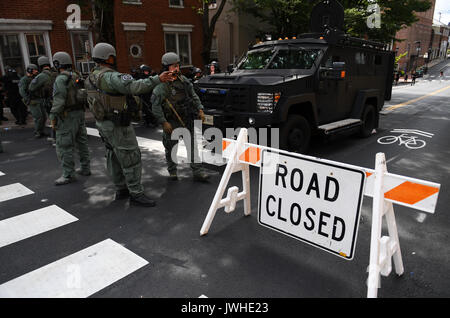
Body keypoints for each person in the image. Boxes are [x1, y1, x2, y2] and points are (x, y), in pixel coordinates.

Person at [85, 42, 173, 207]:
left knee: (113, 156)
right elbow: (135, 86)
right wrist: (157, 79)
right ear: (109, 57)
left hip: (103, 124)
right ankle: (136, 193)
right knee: (130, 157)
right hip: (118, 125)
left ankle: (121, 189)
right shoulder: (111, 77)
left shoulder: (90, 77)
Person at [151, 52, 209, 182]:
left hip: (187, 119)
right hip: (172, 121)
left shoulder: (184, 81)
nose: (176, 68)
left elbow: (193, 95)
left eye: (177, 65)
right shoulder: (161, 86)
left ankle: (198, 171)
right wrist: (163, 122)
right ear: (166, 68)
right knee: (171, 147)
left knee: (192, 146)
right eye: (173, 66)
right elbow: (155, 106)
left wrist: (200, 109)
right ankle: (172, 171)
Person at [49, 52, 91, 185]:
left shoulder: (61, 79)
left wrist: (53, 116)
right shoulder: (76, 75)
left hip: (66, 116)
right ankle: (85, 168)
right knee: (81, 142)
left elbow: (59, 100)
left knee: (64, 145)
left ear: (57, 63)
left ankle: (68, 174)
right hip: (79, 113)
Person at [29, 56, 59, 144]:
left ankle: (56, 139)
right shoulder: (56, 72)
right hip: (59, 100)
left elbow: (31, 88)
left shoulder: (42, 76)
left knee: (53, 120)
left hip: (49, 101)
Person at [22, 64, 48, 138]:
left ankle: (41, 131)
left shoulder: (35, 78)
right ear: (30, 70)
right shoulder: (25, 79)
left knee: (43, 116)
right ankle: (37, 132)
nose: (36, 71)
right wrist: (28, 100)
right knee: (38, 117)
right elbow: (22, 91)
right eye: (34, 70)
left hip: (39, 99)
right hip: (32, 100)